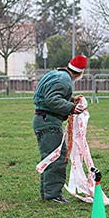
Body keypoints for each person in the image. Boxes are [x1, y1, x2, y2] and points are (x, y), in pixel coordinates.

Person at [33, 55, 88, 203]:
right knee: (57, 157)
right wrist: (72, 107)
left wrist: (70, 100)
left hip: (43, 119)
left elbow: (50, 96)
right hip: (49, 121)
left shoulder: (56, 74)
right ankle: (53, 196)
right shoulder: (64, 80)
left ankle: (48, 193)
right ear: (81, 73)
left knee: (50, 157)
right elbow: (52, 100)